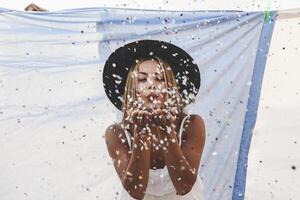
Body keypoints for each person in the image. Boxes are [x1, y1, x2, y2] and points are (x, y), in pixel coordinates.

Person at [103, 39, 206, 200]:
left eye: (159, 79)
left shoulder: (191, 124)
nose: (152, 85)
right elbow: (136, 191)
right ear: (132, 88)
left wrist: (167, 132)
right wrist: (141, 136)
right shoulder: (116, 132)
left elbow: (184, 185)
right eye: (142, 79)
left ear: (170, 86)